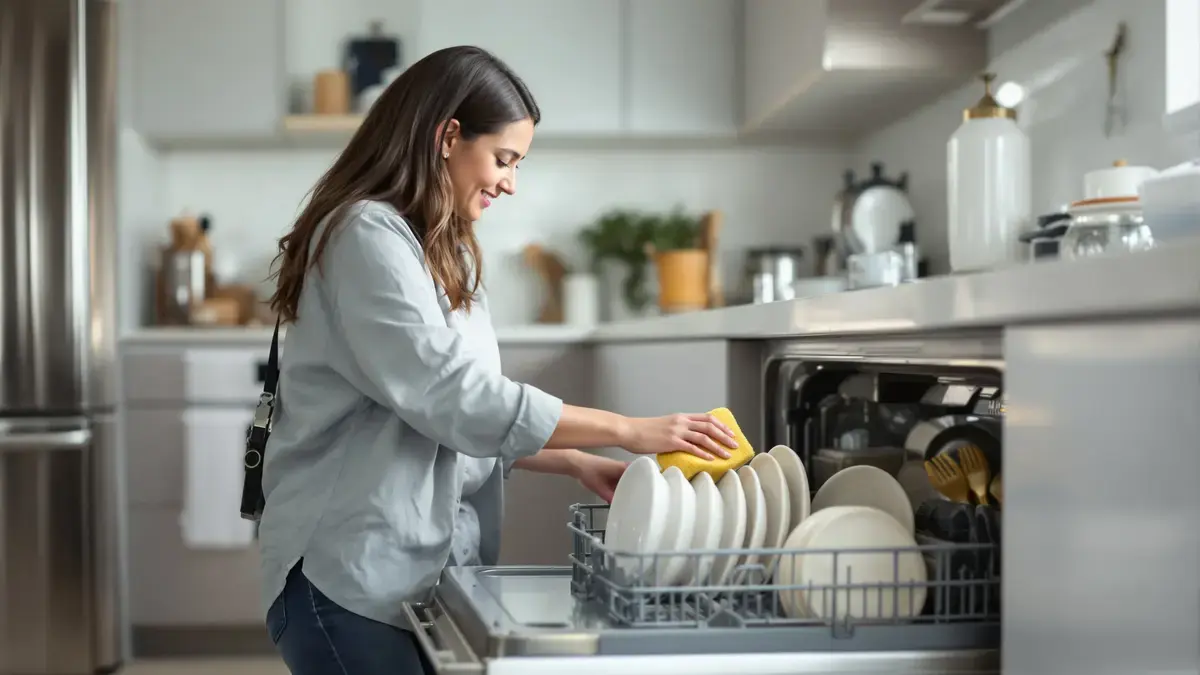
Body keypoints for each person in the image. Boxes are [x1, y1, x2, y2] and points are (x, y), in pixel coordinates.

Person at [257, 45, 737, 675]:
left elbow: (455, 413)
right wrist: (629, 431)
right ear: (448, 136)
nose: (511, 181)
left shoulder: (438, 245)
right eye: (504, 159)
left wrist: (571, 459)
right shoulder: (364, 236)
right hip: (346, 576)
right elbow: (453, 396)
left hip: (412, 576)